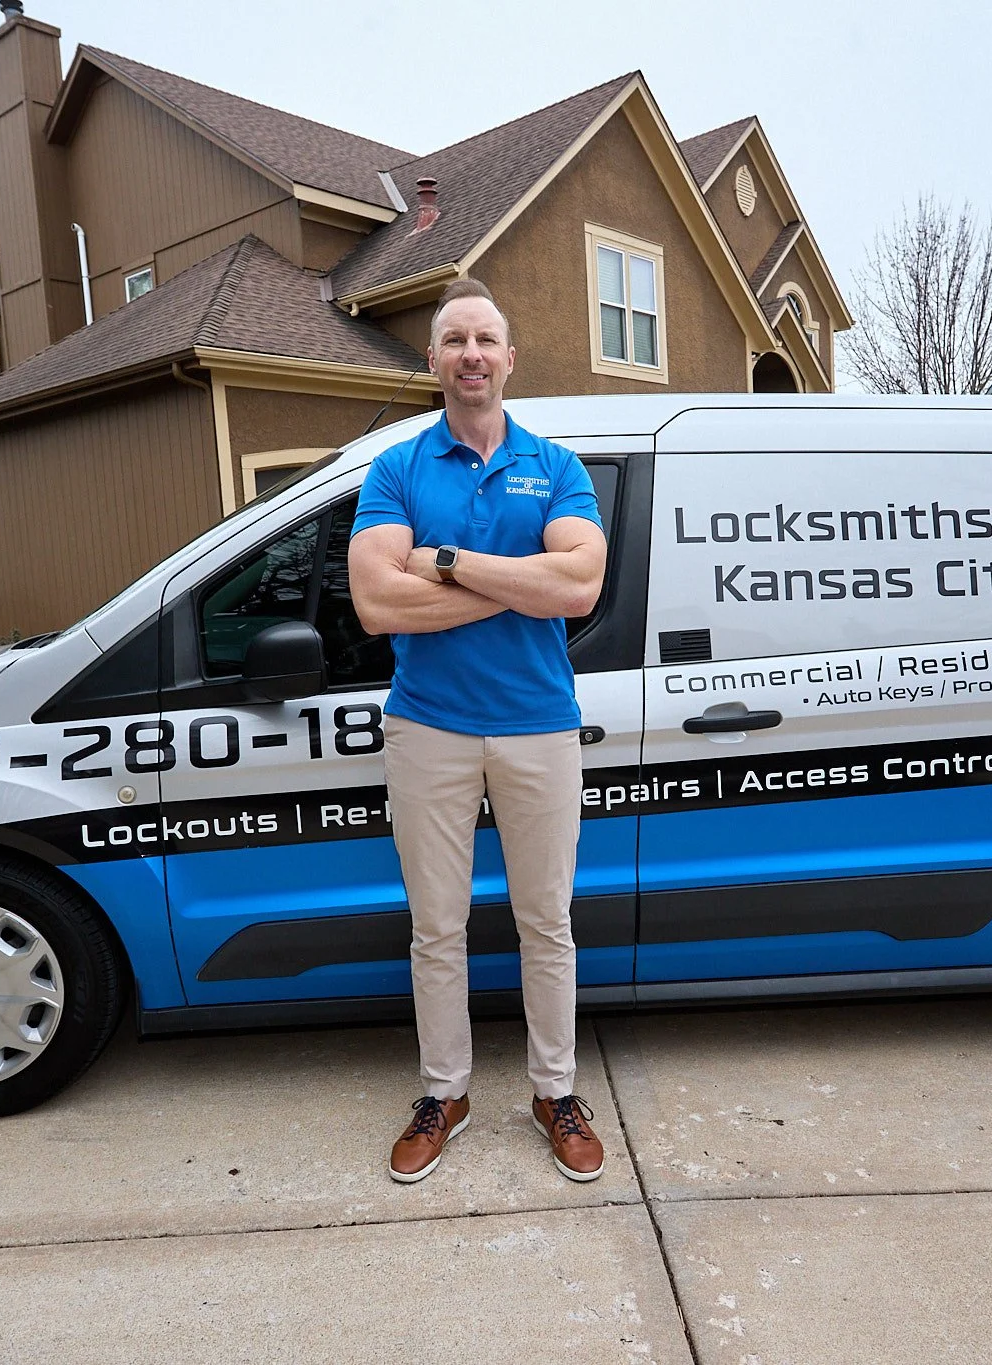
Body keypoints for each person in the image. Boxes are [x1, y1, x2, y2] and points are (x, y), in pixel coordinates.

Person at [348, 278, 609, 1184]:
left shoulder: (556, 463)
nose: (470, 354)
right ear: (433, 359)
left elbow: (579, 588)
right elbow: (378, 603)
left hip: (539, 725)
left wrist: (451, 564)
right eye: (454, 339)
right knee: (437, 927)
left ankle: (555, 1089)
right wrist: (518, 579)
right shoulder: (397, 469)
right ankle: (445, 1091)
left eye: (485, 339)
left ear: (508, 358)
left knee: (547, 921)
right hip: (429, 728)